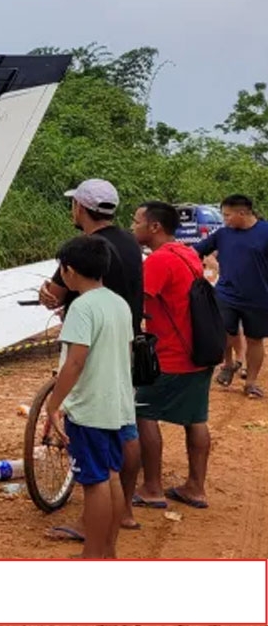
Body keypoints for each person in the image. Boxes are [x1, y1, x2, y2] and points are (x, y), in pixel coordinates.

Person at [37, 178, 146, 538]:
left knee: (96, 475)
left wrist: (55, 404)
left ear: (80, 208)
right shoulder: (131, 243)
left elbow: (75, 360)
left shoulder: (83, 252)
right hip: (122, 350)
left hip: (92, 366)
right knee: (121, 445)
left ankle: (91, 532)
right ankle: (123, 514)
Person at [43, 236, 136, 559]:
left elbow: (76, 361)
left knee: (94, 483)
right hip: (117, 403)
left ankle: (93, 554)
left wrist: (54, 405)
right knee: (109, 475)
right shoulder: (118, 303)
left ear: (68, 271)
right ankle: (106, 550)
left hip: (90, 408)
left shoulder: (81, 308)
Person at [131, 202, 214, 510]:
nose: (132, 226)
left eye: (136, 220)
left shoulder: (158, 262)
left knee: (144, 413)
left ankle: (152, 487)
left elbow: (138, 303)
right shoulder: (188, 253)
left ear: (154, 227)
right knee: (195, 418)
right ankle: (196, 486)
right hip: (200, 350)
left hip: (170, 355)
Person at [194, 194, 268, 399]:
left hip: (259, 298)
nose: (224, 219)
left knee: (255, 340)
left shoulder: (265, 232)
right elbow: (196, 251)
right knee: (223, 330)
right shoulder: (223, 234)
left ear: (242, 213)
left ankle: (251, 382)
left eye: (227, 215)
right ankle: (228, 364)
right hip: (227, 293)